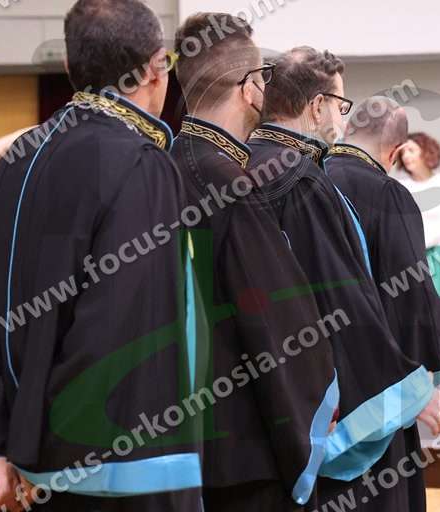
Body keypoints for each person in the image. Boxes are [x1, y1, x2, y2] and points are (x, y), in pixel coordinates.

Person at [0, 1, 204, 510]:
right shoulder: (141, 163)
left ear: (69, 66)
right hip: (117, 471)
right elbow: (127, 328)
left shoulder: (11, 163)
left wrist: (4, 441)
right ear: (157, 67)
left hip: (23, 467)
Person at [247, 47, 440, 496]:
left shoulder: (240, 162)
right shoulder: (302, 180)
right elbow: (341, 296)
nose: (341, 118)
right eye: (340, 105)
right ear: (317, 106)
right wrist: (405, 390)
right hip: (306, 387)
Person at [170, 14, 338, 510]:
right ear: (249, 88)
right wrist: (317, 397)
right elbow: (277, 321)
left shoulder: (162, 167)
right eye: (263, 76)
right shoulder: (231, 184)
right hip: (243, 448)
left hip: (179, 441)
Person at [325, 96, 440, 510]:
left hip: (316, 380)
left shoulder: (309, 181)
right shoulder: (388, 194)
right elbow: (413, 295)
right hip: (375, 385)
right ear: (394, 152)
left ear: (348, 129)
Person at [396, 133, 440, 298]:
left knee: (437, 302)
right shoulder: (400, 186)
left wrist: (418, 245)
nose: (406, 156)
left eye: (411, 150)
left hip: (437, 255)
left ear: (426, 152)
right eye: (403, 152)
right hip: (407, 257)